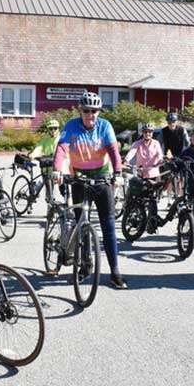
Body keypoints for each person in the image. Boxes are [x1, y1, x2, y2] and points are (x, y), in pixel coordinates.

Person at [52, 92, 127, 289]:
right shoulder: (71, 126)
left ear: (98, 112)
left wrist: (117, 173)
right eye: (86, 111)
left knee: (108, 226)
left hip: (101, 177)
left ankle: (115, 271)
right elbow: (62, 149)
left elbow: (113, 152)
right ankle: (85, 266)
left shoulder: (105, 126)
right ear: (80, 111)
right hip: (79, 179)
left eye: (94, 111)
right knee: (81, 222)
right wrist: (57, 170)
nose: (90, 115)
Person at [29, 119, 61, 201]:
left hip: (57, 167)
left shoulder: (61, 139)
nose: (53, 130)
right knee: (48, 186)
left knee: (61, 187)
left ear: (58, 129)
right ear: (48, 130)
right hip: (46, 166)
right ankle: (49, 205)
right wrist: (33, 155)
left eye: (55, 128)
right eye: (50, 128)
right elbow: (39, 148)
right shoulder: (45, 140)